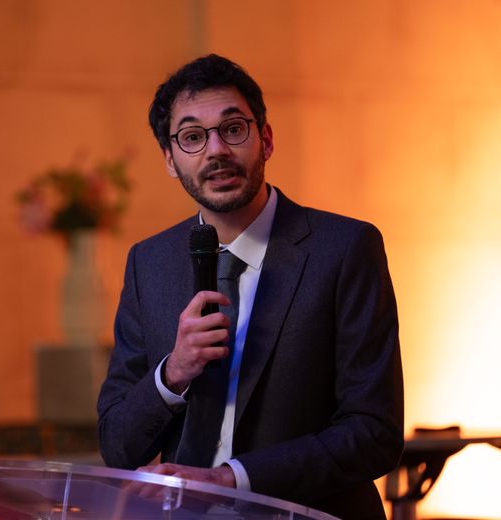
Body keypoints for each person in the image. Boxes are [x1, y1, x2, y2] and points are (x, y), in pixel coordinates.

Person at [96, 54, 403, 519]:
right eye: (192, 137)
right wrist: (173, 371)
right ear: (170, 160)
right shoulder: (149, 262)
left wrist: (231, 480)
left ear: (266, 138)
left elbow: (373, 432)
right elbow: (117, 446)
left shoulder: (344, 249)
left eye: (233, 128)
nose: (215, 150)